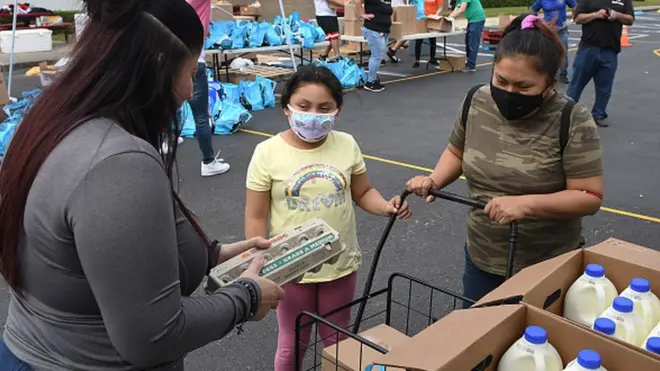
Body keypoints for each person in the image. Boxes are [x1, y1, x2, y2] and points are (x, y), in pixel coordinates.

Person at [0, 1, 284, 370]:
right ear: (160, 66)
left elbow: (97, 257)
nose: (189, 90)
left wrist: (213, 255)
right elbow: (154, 336)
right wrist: (246, 297)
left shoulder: (53, 122)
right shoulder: (117, 163)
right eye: (191, 71)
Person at [406, 14, 604, 307]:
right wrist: (434, 179)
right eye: (501, 80)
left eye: (523, 87)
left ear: (550, 84)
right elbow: (457, 151)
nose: (509, 92)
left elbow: (589, 196)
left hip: (546, 264)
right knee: (477, 340)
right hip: (482, 257)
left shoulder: (572, 119)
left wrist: (525, 204)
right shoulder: (477, 100)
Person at [244, 64, 411, 371]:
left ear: (337, 111)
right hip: (291, 267)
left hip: (341, 262)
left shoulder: (346, 144)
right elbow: (255, 216)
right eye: (304, 106)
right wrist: (261, 265)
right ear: (286, 108)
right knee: (292, 342)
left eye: (324, 108)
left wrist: (386, 206)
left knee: (338, 339)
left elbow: (363, 193)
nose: (313, 115)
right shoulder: (266, 152)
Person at [567, 0, 635, 128]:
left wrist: (617, 15)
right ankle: (566, 112)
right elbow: (577, 18)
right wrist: (596, 15)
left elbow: (630, 19)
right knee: (576, 83)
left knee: (605, 87)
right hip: (589, 47)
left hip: (610, 49)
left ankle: (598, 114)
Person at [184, 0, 231, 176]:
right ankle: (209, 162)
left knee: (166, 109)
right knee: (201, 116)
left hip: (169, 60)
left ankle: (162, 146)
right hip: (195, 62)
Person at [530, 0, 577, 84]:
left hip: (562, 29)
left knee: (563, 51)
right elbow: (533, 10)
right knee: (548, 52)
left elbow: (574, 5)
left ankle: (563, 74)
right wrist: (539, 22)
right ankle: (550, 74)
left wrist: (574, 17)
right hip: (549, 30)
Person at [354, 0, 393, 92]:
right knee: (376, 56)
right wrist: (362, 14)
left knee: (378, 56)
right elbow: (357, 1)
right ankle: (370, 82)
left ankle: (373, 79)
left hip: (382, 30)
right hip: (374, 29)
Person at [448, 0, 485, 73]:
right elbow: (457, 8)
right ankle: (469, 63)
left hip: (477, 19)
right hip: (472, 20)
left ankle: (471, 66)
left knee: (472, 43)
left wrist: (449, 18)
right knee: (468, 42)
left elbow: (462, 9)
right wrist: (449, 17)